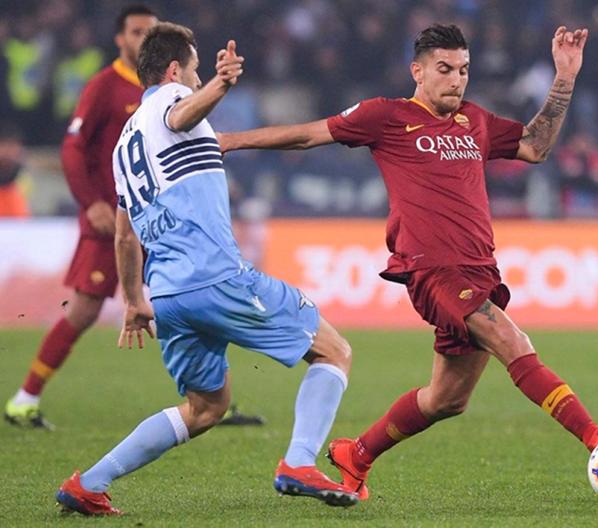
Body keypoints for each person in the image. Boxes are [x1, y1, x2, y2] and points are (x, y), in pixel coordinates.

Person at [219, 24, 598, 500]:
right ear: (418, 71)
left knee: (447, 399)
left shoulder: (474, 121)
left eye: (463, 70)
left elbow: (534, 146)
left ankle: (357, 454)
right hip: (432, 270)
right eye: (445, 69)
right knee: (512, 341)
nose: (456, 79)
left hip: (480, 269)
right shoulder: (386, 116)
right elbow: (307, 135)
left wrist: (564, 77)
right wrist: (230, 140)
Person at [55, 23, 358, 515]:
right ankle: (299, 462)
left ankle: (88, 482)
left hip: (168, 295)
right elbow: (181, 113)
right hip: (216, 277)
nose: (197, 80)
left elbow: (124, 236)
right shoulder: (173, 100)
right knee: (334, 351)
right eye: (195, 71)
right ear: (175, 70)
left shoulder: (124, 147)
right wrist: (222, 83)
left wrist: (134, 301)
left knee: (206, 407)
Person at [4, 5, 157, 429]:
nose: (144, 39)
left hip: (156, 220)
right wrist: (90, 203)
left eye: (151, 32)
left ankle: (215, 401)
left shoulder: (163, 87)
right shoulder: (104, 86)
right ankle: (24, 399)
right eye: (136, 31)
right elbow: (72, 149)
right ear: (120, 39)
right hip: (109, 221)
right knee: (84, 310)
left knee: (190, 302)